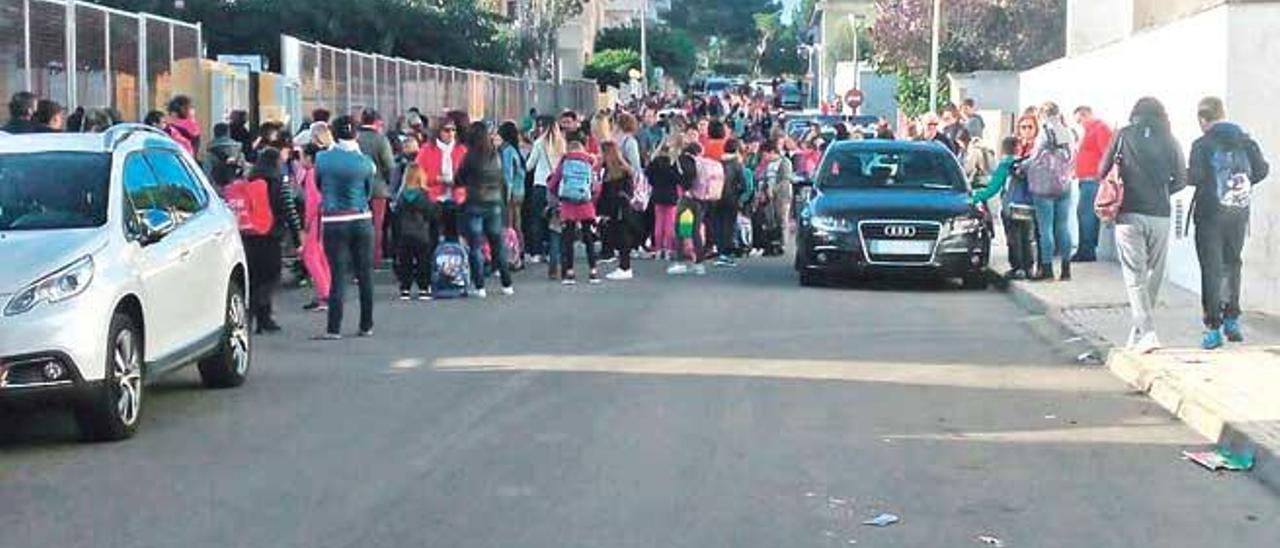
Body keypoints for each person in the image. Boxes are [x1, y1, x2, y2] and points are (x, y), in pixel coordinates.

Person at [1097, 97, 1187, 354]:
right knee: (1153, 274)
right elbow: (1181, 178)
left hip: (1129, 213)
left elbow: (1102, 170)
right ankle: (1140, 332)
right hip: (1160, 214)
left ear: (1134, 114)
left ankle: (1146, 332)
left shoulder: (1123, 135)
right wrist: (1160, 192)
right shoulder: (1171, 140)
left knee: (1134, 276)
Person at [1188, 97, 1270, 350]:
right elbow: (1262, 170)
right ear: (1223, 114)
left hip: (1210, 214)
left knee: (1211, 269)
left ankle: (1213, 328)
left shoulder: (1202, 144)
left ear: (1203, 119)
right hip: (1238, 212)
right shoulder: (1246, 140)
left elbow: (1196, 176)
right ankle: (1232, 319)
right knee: (1232, 263)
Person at [315, 116, 378, 340]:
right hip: (361, 217)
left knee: (338, 275)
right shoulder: (365, 162)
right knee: (365, 273)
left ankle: (334, 328)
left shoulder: (322, 158)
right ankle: (366, 324)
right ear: (356, 135)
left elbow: (319, 184)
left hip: (333, 220)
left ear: (334, 132)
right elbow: (369, 191)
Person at [241, 148, 303, 334]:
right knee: (271, 276)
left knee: (254, 278)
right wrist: (297, 234)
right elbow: (289, 209)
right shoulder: (279, 181)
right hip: (271, 234)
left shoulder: (250, 180)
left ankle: (252, 317)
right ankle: (263, 316)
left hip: (250, 235)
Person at [457, 121, 514, 297]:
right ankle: (507, 284)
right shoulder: (495, 155)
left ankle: (480, 286)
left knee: (475, 246)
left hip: (474, 203)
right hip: (495, 203)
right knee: (497, 244)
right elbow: (503, 181)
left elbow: (459, 178)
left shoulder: (470, 156)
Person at [1028, 101, 1079, 281]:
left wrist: (1021, 166)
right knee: (1063, 226)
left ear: (1042, 114)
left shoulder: (1044, 132)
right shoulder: (1068, 132)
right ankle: (1066, 270)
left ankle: (1048, 270)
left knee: (1046, 228)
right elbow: (1073, 157)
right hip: (1064, 184)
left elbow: (1034, 157)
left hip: (1044, 186)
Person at [974, 136, 1035, 279]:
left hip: (1010, 208)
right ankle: (1029, 268)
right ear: (1018, 148)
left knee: (1013, 238)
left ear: (1003, 149)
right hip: (1027, 206)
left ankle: (1017, 268)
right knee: (1027, 238)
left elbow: (992, 189)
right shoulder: (1026, 164)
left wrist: (973, 198)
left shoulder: (1004, 165)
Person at [547, 134, 602, 285]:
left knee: (568, 240)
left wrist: (557, 194)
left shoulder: (565, 161)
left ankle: (569, 273)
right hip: (586, 205)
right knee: (588, 239)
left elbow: (553, 184)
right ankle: (593, 271)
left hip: (568, 206)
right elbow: (595, 187)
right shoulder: (589, 163)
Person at [416, 117, 469, 252]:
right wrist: (437, 179)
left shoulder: (462, 150)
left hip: (457, 199)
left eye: (453, 130)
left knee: (454, 236)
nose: (450, 133)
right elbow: (417, 175)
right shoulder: (426, 150)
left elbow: (469, 175)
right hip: (434, 199)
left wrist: (457, 181)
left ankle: (453, 266)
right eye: (447, 130)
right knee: (432, 237)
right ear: (438, 132)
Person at [1072, 106, 1114, 263]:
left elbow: (1107, 153)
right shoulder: (1089, 131)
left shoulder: (1099, 128)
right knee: (1085, 215)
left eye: (1080, 120)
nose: (1080, 124)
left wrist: (1101, 175)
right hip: (1086, 179)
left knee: (1086, 215)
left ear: (1086, 115)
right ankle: (1086, 248)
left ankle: (1086, 250)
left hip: (1093, 180)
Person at [356, 109, 396, 269]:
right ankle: (374, 259)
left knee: (359, 224)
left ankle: (358, 258)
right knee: (376, 226)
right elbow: (389, 165)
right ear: (376, 121)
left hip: (357, 189)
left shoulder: (356, 139)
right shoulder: (381, 140)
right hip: (378, 188)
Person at [394, 154, 435, 301]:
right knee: (423, 261)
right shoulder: (424, 195)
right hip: (421, 233)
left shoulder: (401, 196)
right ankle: (424, 288)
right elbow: (430, 213)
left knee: (405, 262)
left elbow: (396, 213)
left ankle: (405, 288)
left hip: (405, 233)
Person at [668, 142, 712, 276]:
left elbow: (682, 176)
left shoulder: (683, 160)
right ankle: (699, 263)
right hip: (701, 198)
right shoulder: (701, 162)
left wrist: (686, 189)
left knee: (680, 229)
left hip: (687, 198)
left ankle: (680, 261)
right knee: (696, 231)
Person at [646, 133, 692, 261]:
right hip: (671, 195)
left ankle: (658, 248)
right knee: (669, 223)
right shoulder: (673, 163)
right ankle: (669, 249)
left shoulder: (655, 162)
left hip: (657, 194)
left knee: (659, 223)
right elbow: (679, 178)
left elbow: (648, 175)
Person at [526, 117, 565, 268]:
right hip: (556, 187)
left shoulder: (539, 143)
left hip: (540, 185)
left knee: (536, 219)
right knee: (554, 220)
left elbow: (530, 166)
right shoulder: (561, 143)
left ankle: (536, 252)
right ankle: (552, 252)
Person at [297, 144, 331, 312]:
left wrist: (307, 223)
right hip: (328, 214)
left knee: (310, 256)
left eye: (302, 156)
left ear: (310, 157)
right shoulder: (325, 172)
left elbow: (312, 201)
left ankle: (324, 294)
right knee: (323, 257)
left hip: (317, 217)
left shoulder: (311, 174)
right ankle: (327, 290)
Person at [599, 141, 639, 280]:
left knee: (622, 237)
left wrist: (603, 211)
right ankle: (624, 266)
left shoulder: (616, 172)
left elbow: (608, 193)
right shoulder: (623, 169)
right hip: (620, 207)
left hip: (618, 208)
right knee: (621, 236)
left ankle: (625, 267)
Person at [713, 139, 750, 266]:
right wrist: (738, 194)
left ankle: (719, 249)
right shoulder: (737, 165)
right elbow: (744, 185)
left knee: (718, 224)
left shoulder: (718, 163)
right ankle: (727, 253)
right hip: (731, 199)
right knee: (729, 226)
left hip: (717, 197)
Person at [498, 121, 527, 242]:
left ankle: (512, 246)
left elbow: (507, 173)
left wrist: (507, 193)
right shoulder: (516, 150)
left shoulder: (507, 150)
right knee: (517, 220)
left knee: (509, 223)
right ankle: (520, 247)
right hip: (520, 189)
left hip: (511, 191)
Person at [206, 123, 245, 189]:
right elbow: (244, 171)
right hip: (236, 189)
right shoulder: (238, 151)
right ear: (228, 133)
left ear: (214, 134)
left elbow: (207, 173)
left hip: (218, 189)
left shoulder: (211, 153)